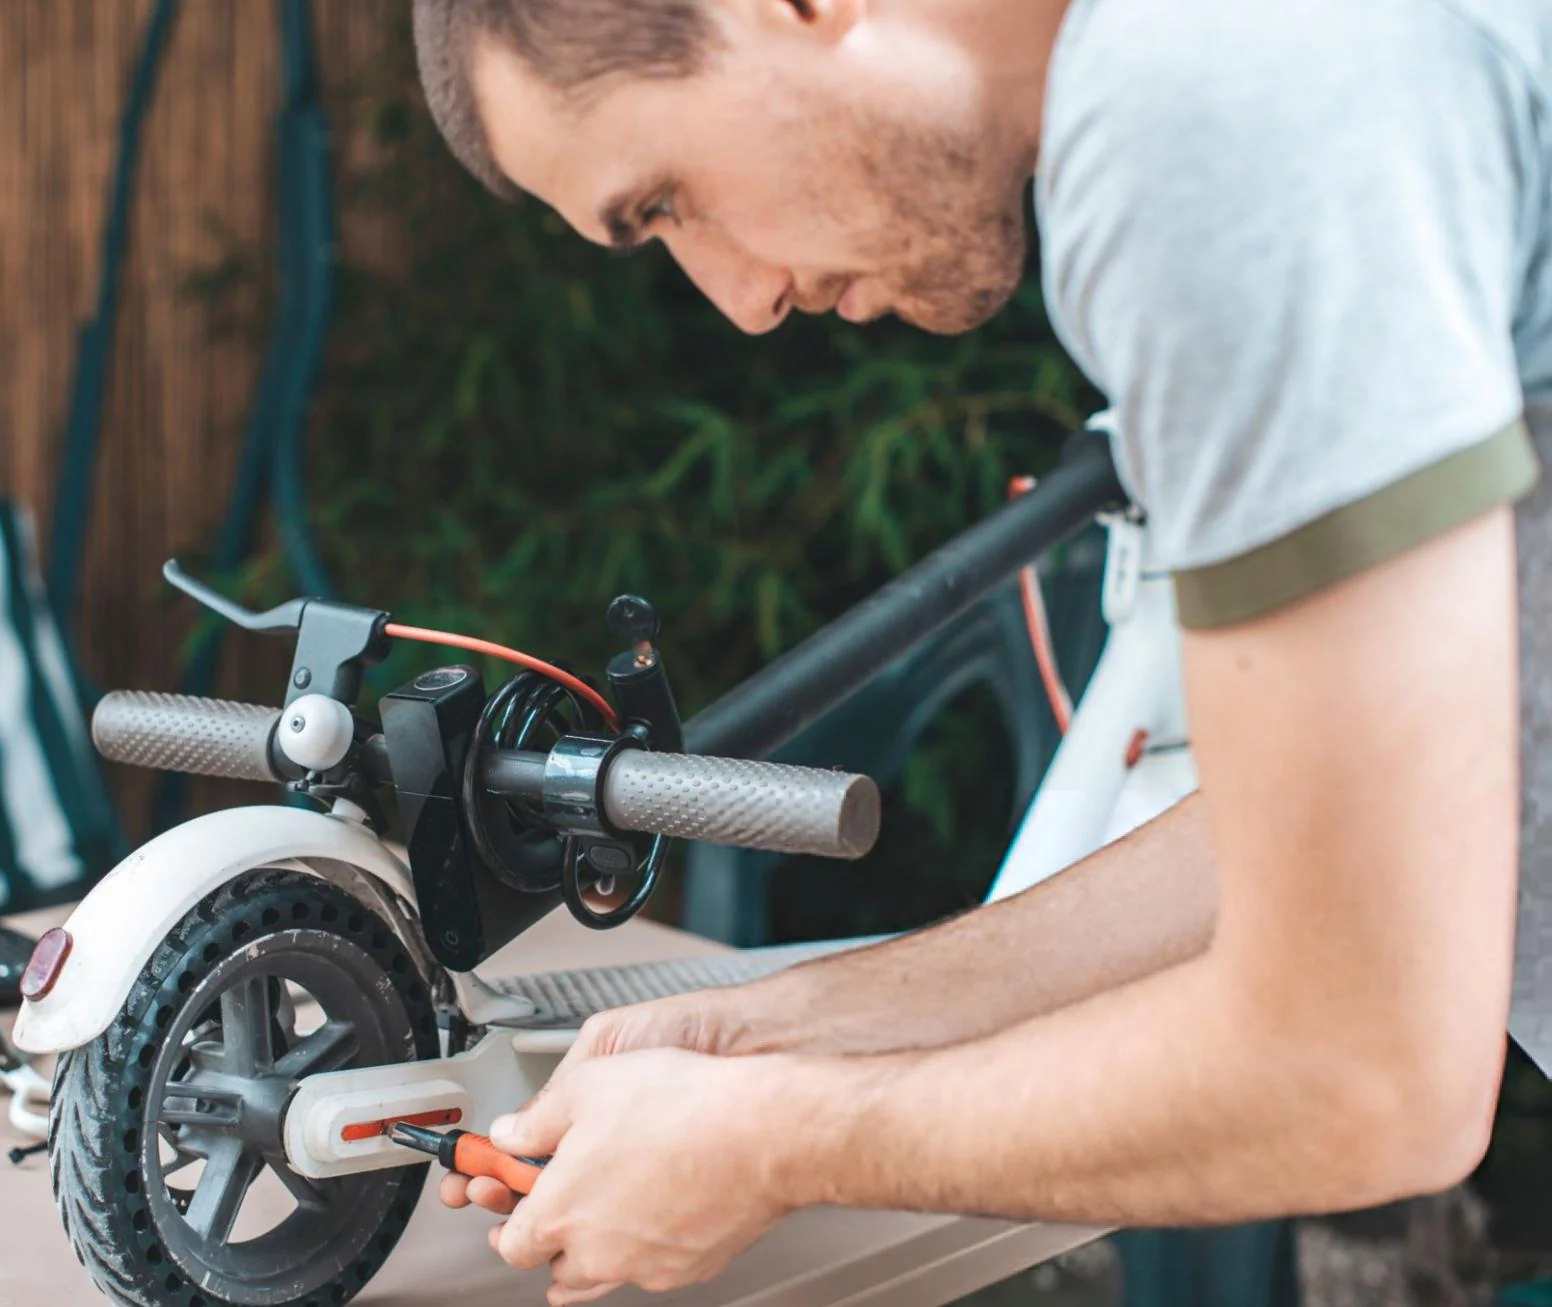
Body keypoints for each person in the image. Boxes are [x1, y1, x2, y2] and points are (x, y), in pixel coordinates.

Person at [406, 0, 1552, 1302]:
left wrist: (774, 1145)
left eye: (665, 200)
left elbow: (1365, 1063)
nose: (741, 302)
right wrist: (789, 1029)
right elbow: (1350, 823)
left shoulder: (1208, 97)